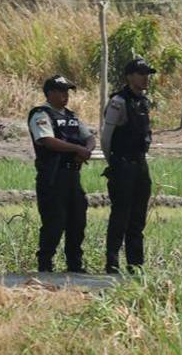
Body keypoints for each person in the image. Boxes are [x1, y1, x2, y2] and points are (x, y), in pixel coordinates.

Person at [28, 76, 96, 273]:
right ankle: (45, 265)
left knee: (77, 220)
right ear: (50, 93)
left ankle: (75, 265)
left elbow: (89, 137)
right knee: (54, 222)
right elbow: (47, 140)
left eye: (67, 91)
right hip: (53, 176)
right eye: (61, 91)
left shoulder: (71, 116)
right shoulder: (41, 114)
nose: (66, 95)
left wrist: (86, 151)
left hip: (72, 175)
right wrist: (77, 149)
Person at [100, 58, 157, 274]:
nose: (145, 78)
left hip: (140, 164)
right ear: (130, 76)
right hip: (122, 164)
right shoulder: (119, 102)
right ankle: (112, 263)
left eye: (147, 74)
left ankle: (136, 265)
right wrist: (114, 163)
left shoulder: (143, 102)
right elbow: (106, 138)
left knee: (138, 218)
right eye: (141, 74)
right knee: (120, 216)